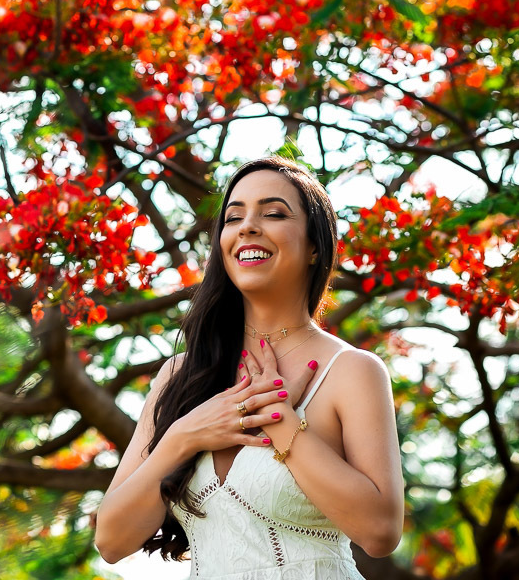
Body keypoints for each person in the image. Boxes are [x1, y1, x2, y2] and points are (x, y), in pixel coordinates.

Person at [94, 155, 404, 577]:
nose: (248, 226)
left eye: (274, 213)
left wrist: (281, 422)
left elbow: (381, 531)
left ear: (315, 247)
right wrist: (184, 435)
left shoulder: (351, 371)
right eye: (233, 217)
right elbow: (111, 542)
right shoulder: (180, 376)